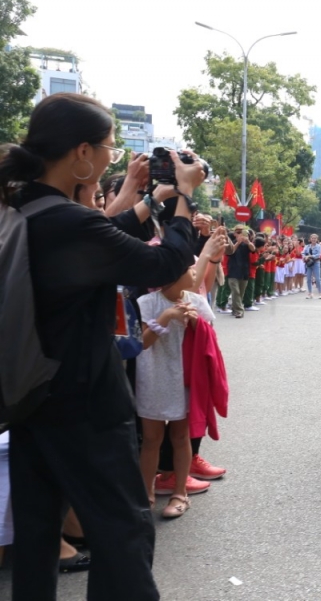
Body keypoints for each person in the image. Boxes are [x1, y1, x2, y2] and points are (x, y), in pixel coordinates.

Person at [0, 93, 206, 599]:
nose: (113, 158)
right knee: (123, 532)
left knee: (37, 531)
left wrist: (151, 202)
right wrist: (183, 198)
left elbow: (97, 240)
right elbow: (162, 267)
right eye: (110, 148)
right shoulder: (69, 222)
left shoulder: (23, 208)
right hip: (85, 400)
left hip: (29, 397)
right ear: (82, 153)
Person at [137, 262, 218, 519]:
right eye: (189, 269)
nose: (195, 272)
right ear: (171, 275)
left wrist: (195, 323)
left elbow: (210, 339)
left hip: (185, 378)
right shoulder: (146, 303)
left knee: (181, 438)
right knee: (151, 439)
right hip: (153, 377)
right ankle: (145, 494)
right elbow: (141, 344)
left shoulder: (197, 300)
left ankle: (180, 492)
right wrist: (166, 317)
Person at [225, 225, 254, 318]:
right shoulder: (231, 243)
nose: (240, 234)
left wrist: (248, 241)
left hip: (244, 271)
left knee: (240, 293)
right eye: (238, 232)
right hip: (233, 271)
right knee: (236, 292)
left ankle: (234, 309)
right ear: (234, 234)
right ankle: (239, 311)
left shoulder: (247, 244)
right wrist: (238, 242)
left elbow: (253, 249)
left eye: (242, 232)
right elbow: (230, 251)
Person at [303, 233, 321, 299]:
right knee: (308, 278)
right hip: (308, 264)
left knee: (318, 279)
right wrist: (305, 257)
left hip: (316, 263)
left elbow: (319, 255)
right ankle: (310, 293)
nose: (313, 239)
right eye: (312, 238)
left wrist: (311, 256)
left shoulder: (319, 246)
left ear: (317, 239)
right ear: (310, 239)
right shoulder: (307, 246)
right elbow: (303, 253)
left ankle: (320, 293)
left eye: (315, 238)